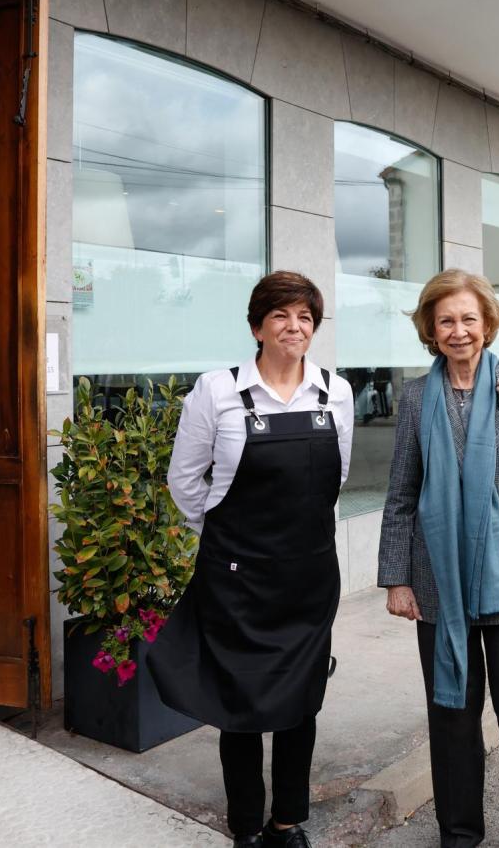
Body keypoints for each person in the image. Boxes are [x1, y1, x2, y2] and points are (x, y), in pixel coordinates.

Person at [148, 271, 354, 847]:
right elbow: (184, 481)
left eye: (306, 317)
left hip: (308, 579)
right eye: (282, 315)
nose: (295, 326)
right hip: (235, 581)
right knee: (236, 704)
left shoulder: (335, 393)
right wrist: (225, 540)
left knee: (300, 702)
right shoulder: (217, 391)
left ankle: (287, 824)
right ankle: (245, 828)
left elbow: (334, 478)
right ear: (257, 326)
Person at [378, 269, 499, 847]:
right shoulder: (416, 397)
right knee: (453, 718)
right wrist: (395, 578)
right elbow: (402, 492)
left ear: (487, 323)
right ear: (431, 331)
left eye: (468, 319)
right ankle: (459, 835)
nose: (458, 331)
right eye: (446, 321)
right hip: (441, 579)